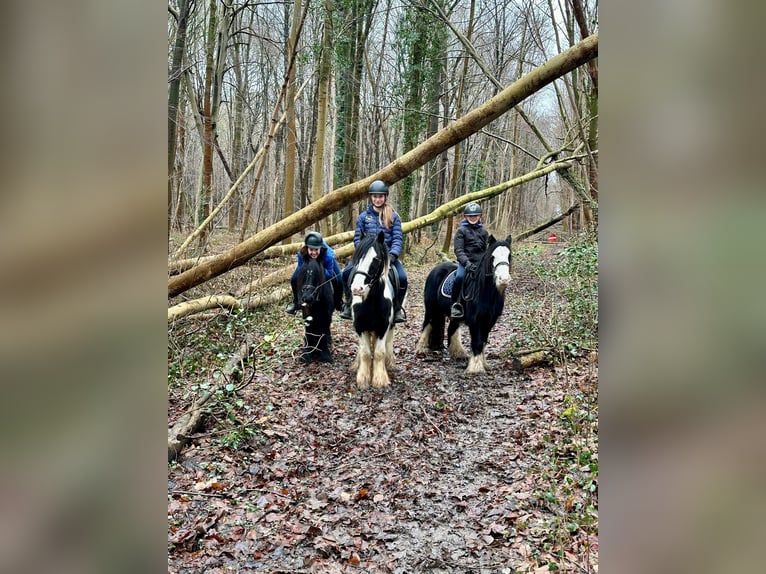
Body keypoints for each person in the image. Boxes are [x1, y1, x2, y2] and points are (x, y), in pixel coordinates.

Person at [340, 179, 408, 323]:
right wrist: (363, 254)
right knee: (346, 273)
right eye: (375, 196)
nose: (377, 199)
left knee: (402, 278)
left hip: (387, 256)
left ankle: (396, 309)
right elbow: (358, 239)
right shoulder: (363, 217)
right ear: (371, 197)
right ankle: (348, 304)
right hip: (366, 257)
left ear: (385, 197)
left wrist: (392, 255)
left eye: (380, 196)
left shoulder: (394, 217)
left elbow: (397, 238)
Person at [285, 231, 342, 314]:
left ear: (320, 248)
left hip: (324, 266)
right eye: (311, 250)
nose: (314, 253)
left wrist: (317, 270)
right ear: (307, 248)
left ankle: (339, 303)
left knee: (340, 279)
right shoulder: (302, 254)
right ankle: (296, 302)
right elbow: (301, 272)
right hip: (307, 264)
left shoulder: (328, 256)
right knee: (294, 279)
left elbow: (329, 274)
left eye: (316, 250)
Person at [450, 202, 489, 319]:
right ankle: (455, 304)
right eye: (470, 216)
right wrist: (466, 263)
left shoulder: (484, 232)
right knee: (459, 278)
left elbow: (486, 250)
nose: (473, 218)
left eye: (475, 216)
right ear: (466, 217)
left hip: (480, 263)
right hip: (465, 262)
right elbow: (459, 250)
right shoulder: (461, 231)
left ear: (480, 216)